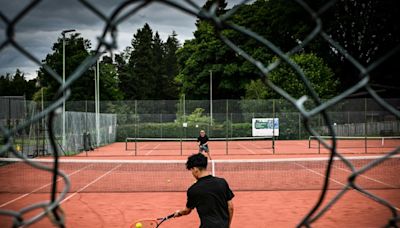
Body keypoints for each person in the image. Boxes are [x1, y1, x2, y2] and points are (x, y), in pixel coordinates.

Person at [174, 153, 234, 228]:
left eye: (191, 170)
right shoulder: (222, 182)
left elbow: (187, 210)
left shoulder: (193, 190)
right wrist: (227, 225)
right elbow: (230, 207)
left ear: (195, 169)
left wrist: (179, 213)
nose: (192, 173)